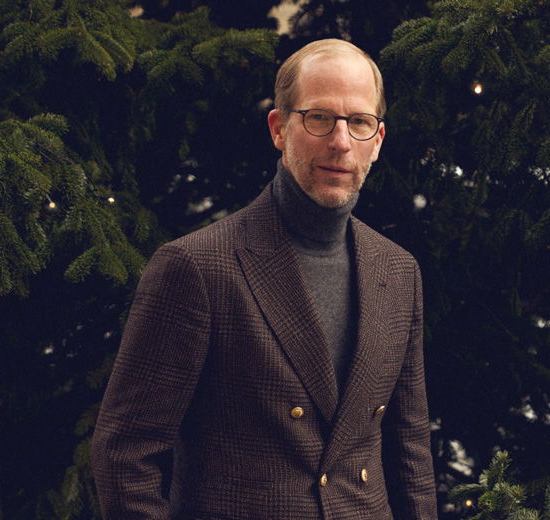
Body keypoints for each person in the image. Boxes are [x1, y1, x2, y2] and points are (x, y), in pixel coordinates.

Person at [91, 39, 438, 520]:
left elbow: (410, 449)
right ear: (279, 128)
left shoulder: (398, 271)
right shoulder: (197, 267)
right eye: (319, 118)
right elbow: (124, 454)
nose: (340, 141)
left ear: (377, 141)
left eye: (359, 122)